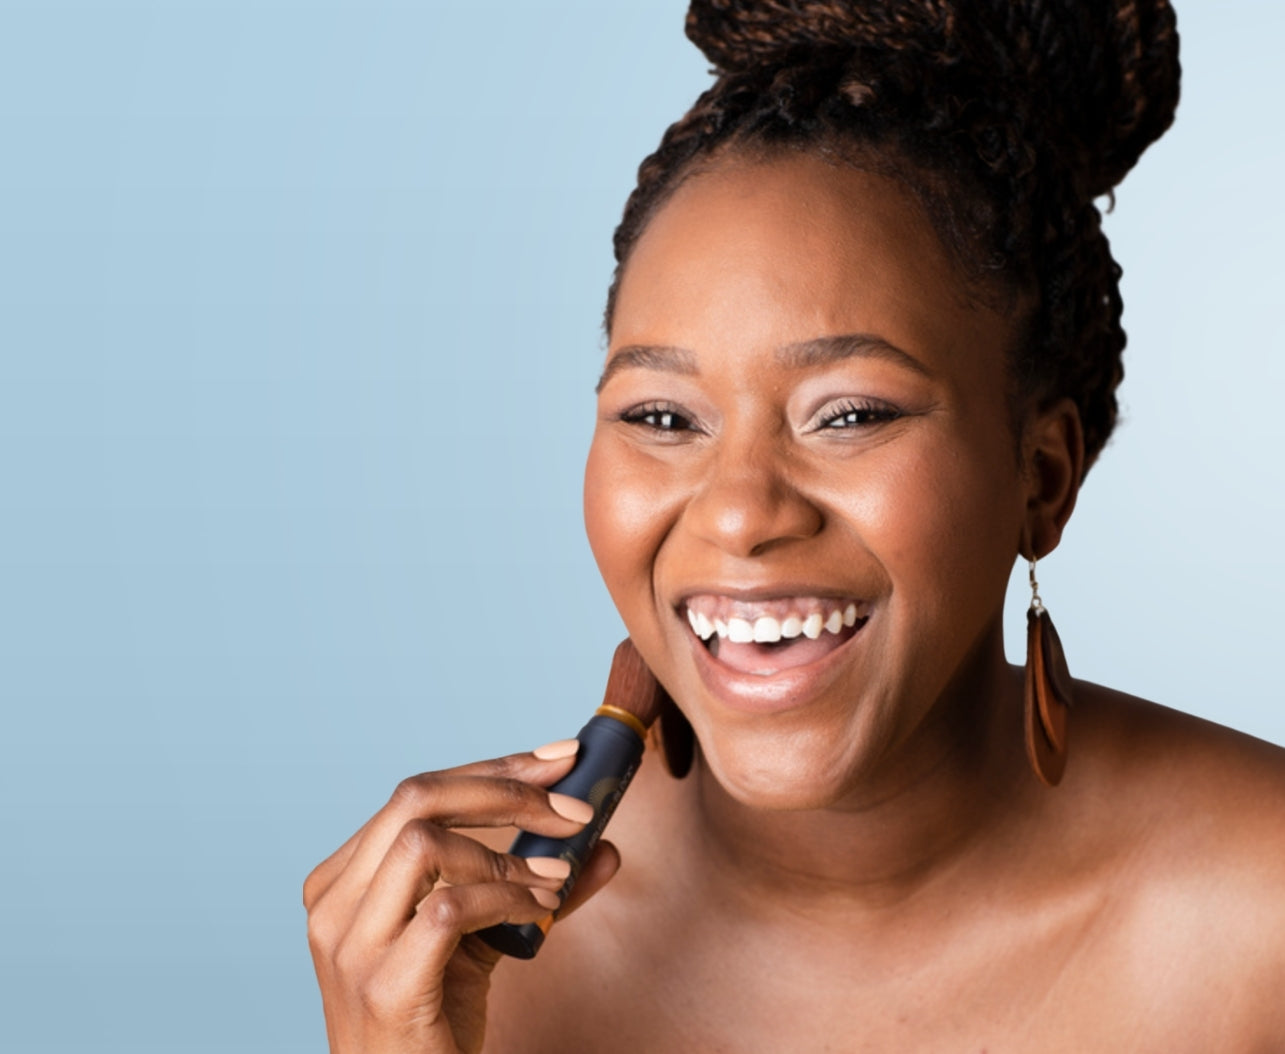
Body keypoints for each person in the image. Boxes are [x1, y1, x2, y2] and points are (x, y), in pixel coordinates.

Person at [304, 2, 1285, 1050]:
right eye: (661, 416)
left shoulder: (1260, 919)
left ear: (1042, 475)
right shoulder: (464, 960)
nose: (738, 511)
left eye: (850, 414)